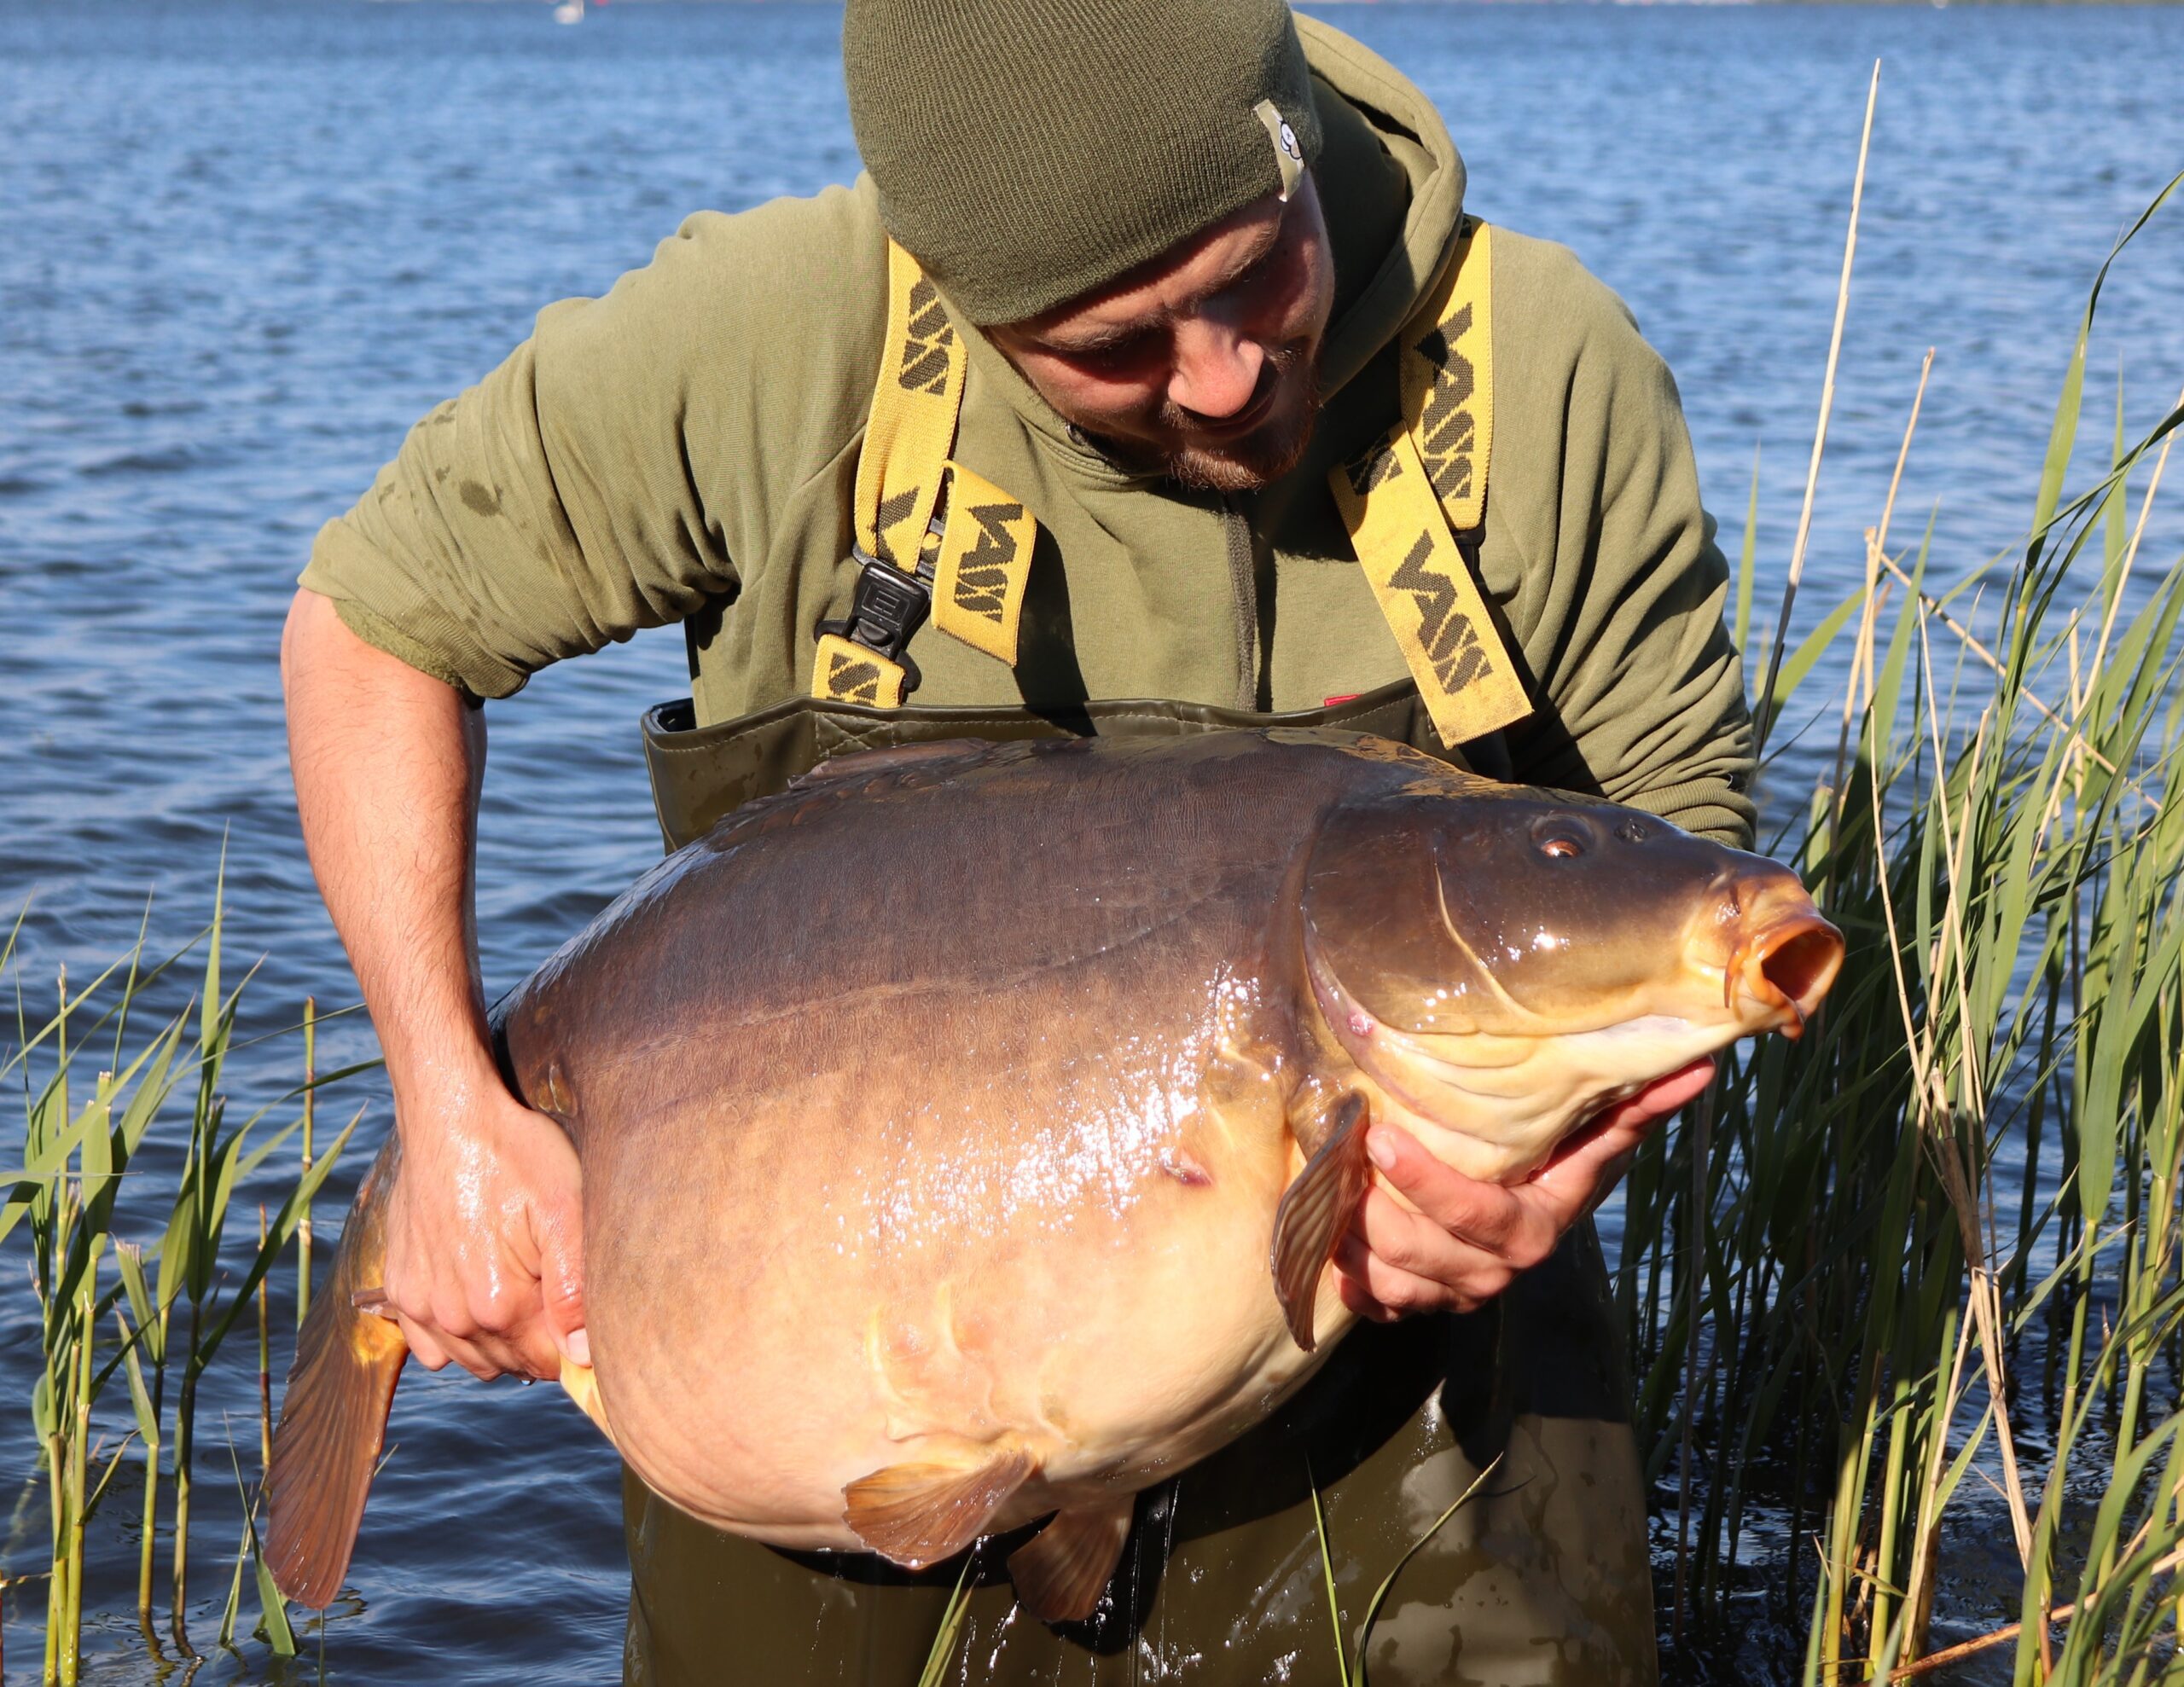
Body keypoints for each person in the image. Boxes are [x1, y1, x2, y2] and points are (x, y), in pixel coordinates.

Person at [281, 1, 1752, 1680]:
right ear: (964, 301)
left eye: (1254, 269)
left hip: (1392, 1392)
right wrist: (449, 1113)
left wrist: (1541, 1166)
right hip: (843, 1379)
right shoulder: (777, 340)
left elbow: (1684, 859)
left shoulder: (1536, 370)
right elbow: (369, 628)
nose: (1218, 372)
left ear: (1287, 147)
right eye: (1114, 345)